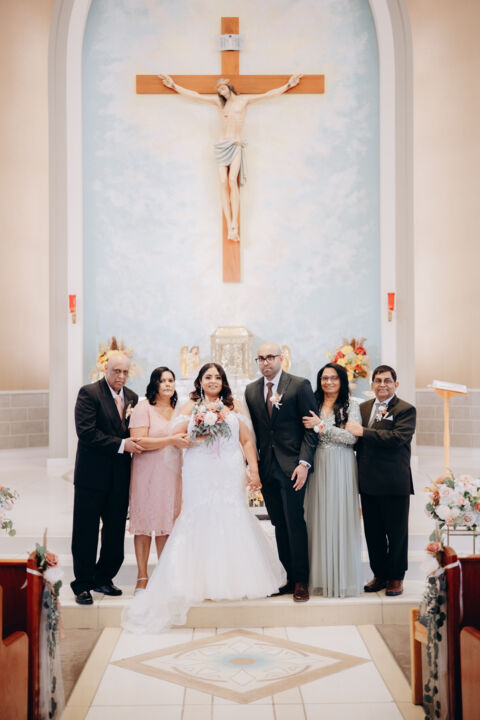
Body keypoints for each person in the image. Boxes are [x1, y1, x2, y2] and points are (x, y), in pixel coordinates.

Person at [122, 363, 286, 633]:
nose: (213, 381)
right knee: (197, 516)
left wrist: (253, 470)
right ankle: (195, 579)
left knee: (232, 515)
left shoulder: (234, 406)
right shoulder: (189, 406)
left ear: (223, 381)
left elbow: (246, 440)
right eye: (208, 377)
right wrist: (199, 431)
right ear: (199, 381)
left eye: (217, 377)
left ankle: (235, 578)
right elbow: (178, 437)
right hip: (199, 469)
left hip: (229, 468)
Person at [158, 73, 303, 241]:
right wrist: (174, 86)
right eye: (219, 90)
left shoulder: (244, 101)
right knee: (222, 182)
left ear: (229, 86)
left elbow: (267, 95)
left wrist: (288, 85)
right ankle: (229, 225)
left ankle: (235, 223)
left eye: (223, 88)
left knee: (233, 180)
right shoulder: (219, 103)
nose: (221, 92)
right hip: (221, 146)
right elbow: (196, 96)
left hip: (235, 144)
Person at [245, 343, 318, 603]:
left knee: (294, 521)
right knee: (278, 523)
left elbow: (311, 429)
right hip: (267, 467)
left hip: (293, 467)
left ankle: (301, 581)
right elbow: (253, 431)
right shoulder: (251, 390)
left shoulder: (299, 385)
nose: (265, 362)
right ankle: (288, 577)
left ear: (281, 358)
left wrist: (304, 464)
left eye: (270, 357)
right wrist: (252, 466)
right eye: (261, 358)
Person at [71, 352, 140, 605]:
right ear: (106, 369)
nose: (121, 376)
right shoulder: (89, 393)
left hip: (119, 477)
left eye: (125, 372)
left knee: (114, 532)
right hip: (92, 475)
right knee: (86, 531)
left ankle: (103, 577)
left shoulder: (132, 397)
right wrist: (122, 445)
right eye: (116, 371)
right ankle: (82, 584)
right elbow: (86, 432)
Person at [346, 364, 416, 597]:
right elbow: (353, 438)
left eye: (387, 381)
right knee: (373, 532)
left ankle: (396, 577)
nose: (382, 385)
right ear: (372, 384)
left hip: (394, 481)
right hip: (368, 481)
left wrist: (363, 432)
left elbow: (396, 438)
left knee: (396, 533)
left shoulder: (406, 409)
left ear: (396, 384)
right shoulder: (363, 408)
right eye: (378, 380)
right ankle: (380, 574)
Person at [128, 367, 190, 594]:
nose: (167, 384)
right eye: (162, 380)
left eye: (170, 380)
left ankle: (163, 576)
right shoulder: (143, 407)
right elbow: (138, 441)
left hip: (171, 473)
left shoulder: (178, 411)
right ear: (154, 384)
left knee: (166, 524)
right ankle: (142, 577)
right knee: (144, 524)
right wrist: (171, 440)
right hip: (146, 472)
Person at [302, 363, 362, 597]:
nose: (328, 382)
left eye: (334, 378)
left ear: (342, 380)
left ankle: (341, 578)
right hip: (317, 462)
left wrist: (320, 426)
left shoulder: (352, 404)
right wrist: (323, 428)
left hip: (342, 464)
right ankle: (319, 577)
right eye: (324, 378)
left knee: (340, 515)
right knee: (317, 516)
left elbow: (351, 438)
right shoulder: (313, 403)